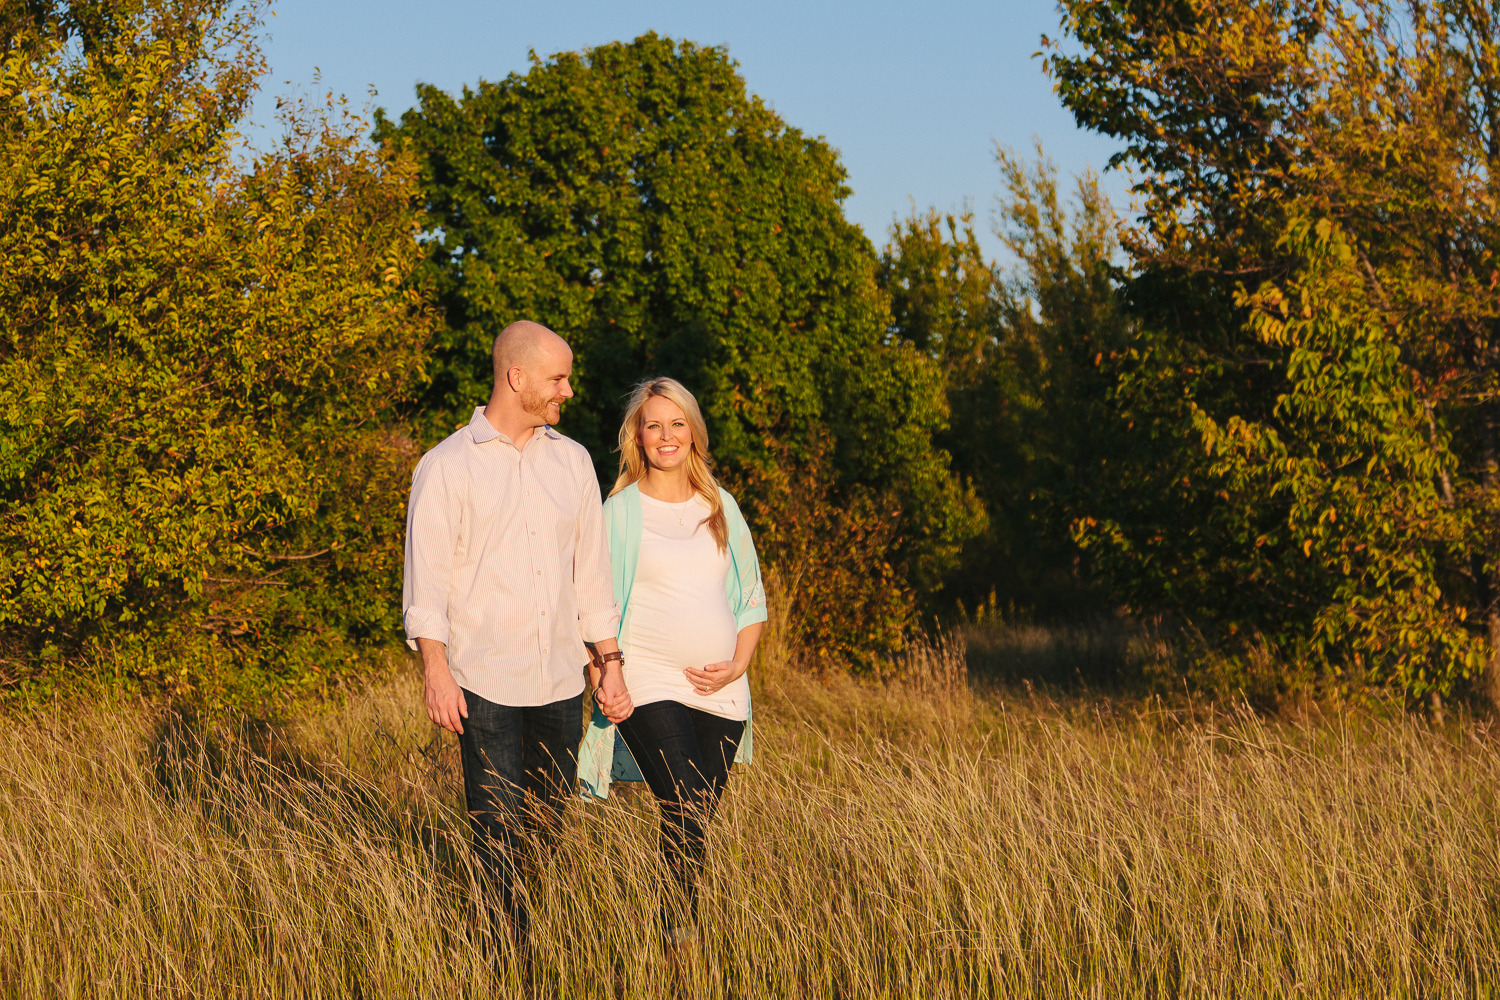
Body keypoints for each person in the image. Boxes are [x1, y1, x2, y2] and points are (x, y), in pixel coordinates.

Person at [402, 320, 634, 950]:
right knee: (497, 834)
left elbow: (591, 575)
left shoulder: (573, 461)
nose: (567, 391)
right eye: (557, 379)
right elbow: (427, 582)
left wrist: (607, 661)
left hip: (560, 681)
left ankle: (528, 941)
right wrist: (435, 670)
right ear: (517, 377)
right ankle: (509, 962)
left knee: (544, 830)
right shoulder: (445, 466)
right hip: (485, 684)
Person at [576, 377, 768, 948]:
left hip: (723, 691)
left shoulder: (721, 506)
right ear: (638, 436)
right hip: (648, 679)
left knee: (693, 817)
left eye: (677, 423)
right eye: (653, 424)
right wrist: (600, 673)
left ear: (693, 433)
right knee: (683, 799)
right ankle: (682, 935)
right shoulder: (620, 511)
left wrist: (737, 665)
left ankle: (672, 932)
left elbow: (752, 597)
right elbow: (593, 601)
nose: (666, 435)